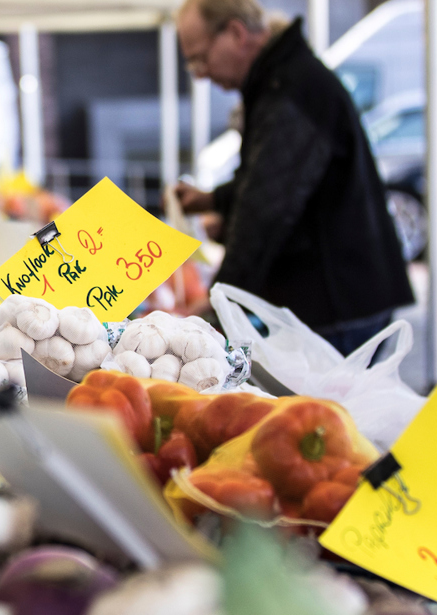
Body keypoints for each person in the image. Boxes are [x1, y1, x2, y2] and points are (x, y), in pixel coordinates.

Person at [169, 0, 414, 355]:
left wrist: (217, 304)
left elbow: (265, 208)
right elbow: (272, 178)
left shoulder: (290, 89)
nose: (200, 73)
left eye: (200, 58)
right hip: (341, 293)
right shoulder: (280, 81)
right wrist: (213, 200)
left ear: (236, 33)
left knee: (331, 409)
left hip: (337, 300)